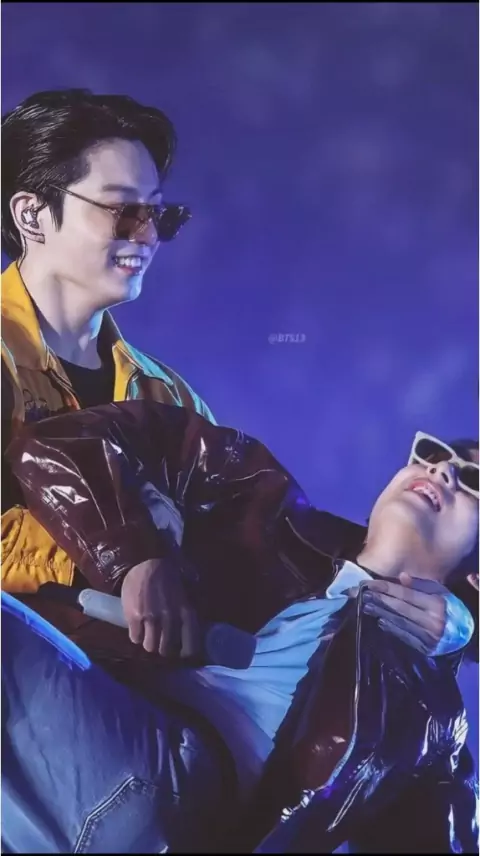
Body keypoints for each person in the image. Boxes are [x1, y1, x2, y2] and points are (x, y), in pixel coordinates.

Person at [3, 401, 478, 853]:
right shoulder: (259, 498)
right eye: (431, 454)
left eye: (473, 478)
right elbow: (60, 441)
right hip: (91, 728)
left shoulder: (431, 719)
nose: (442, 471)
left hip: (174, 785)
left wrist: (463, 635)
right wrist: (133, 560)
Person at [1, 88, 215, 625]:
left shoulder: (169, 396)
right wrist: (125, 557)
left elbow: (235, 544)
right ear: (31, 214)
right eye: (121, 211)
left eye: (157, 215)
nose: (146, 236)